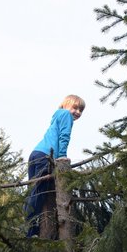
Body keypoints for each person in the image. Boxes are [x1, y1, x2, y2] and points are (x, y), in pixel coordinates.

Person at [24, 95, 85, 237]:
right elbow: (64, 136)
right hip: (45, 156)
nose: (78, 112)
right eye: (75, 108)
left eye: (81, 110)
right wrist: (62, 156)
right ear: (66, 105)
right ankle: (32, 230)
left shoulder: (57, 115)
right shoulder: (66, 115)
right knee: (40, 192)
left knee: (33, 191)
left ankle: (30, 225)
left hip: (36, 153)